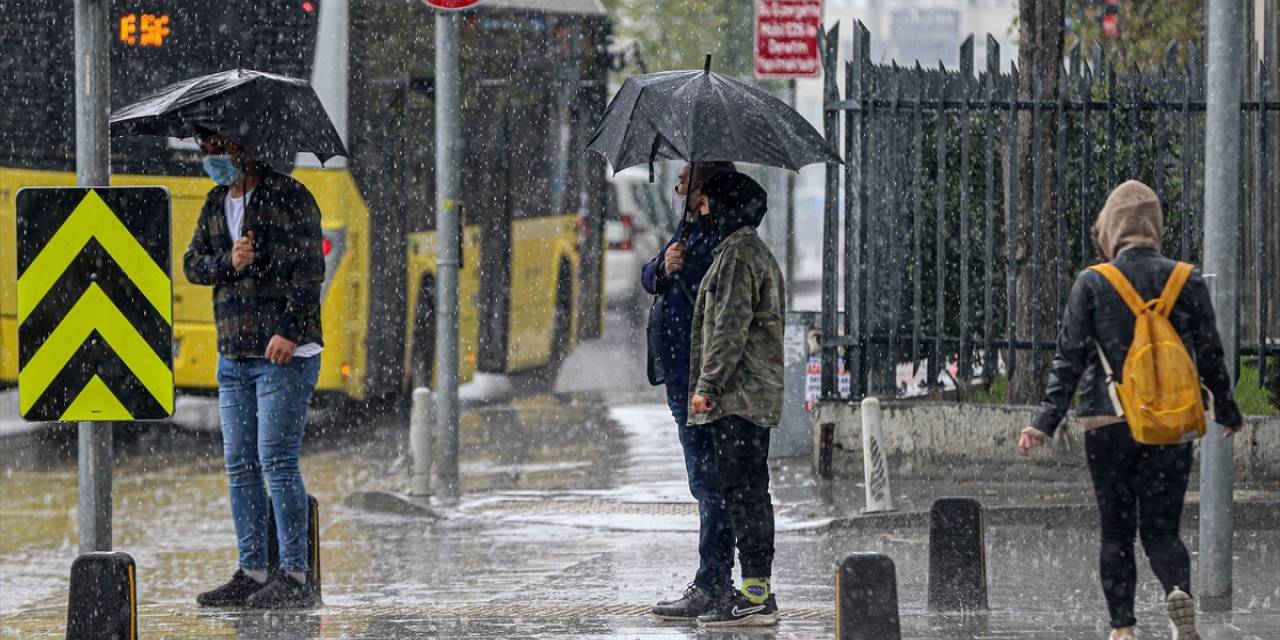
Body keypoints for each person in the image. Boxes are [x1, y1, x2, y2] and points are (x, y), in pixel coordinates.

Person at [1019, 180, 1243, 640]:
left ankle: (1123, 628)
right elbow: (1211, 353)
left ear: (1110, 229)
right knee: (1162, 528)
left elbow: (1069, 358)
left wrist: (1044, 422)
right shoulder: (1187, 279)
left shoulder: (1094, 282)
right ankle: (1178, 592)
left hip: (1109, 422)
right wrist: (1227, 408)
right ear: (1155, 226)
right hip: (1171, 422)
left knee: (1116, 532)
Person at [186, 130, 326, 609]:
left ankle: (293, 573)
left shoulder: (290, 197)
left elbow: (310, 272)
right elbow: (191, 265)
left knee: (277, 460)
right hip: (234, 355)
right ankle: (253, 569)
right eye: (204, 152)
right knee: (240, 464)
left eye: (217, 150)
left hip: (284, 356)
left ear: (243, 149)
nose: (211, 160)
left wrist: (289, 330)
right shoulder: (213, 204)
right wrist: (229, 259)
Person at [686, 171, 785, 627]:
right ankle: (755, 591)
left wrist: (707, 388)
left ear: (726, 206)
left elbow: (727, 328)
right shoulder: (745, 251)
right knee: (747, 491)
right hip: (750, 396)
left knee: (743, 493)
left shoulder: (738, 256)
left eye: (708, 202)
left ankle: (756, 594)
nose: (701, 209)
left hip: (739, 399)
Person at [642, 161, 739, 620]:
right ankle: (713, 580)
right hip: (681, 377)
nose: (677, 186)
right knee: (705, 483)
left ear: (703, 191)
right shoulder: (687, 230)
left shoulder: (722, 240)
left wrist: (684, 268)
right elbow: (649, 276)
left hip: (702, 382)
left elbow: (718, 303)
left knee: (711, 484)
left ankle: (715, 583)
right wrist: (664, 265)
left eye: (684, 180)